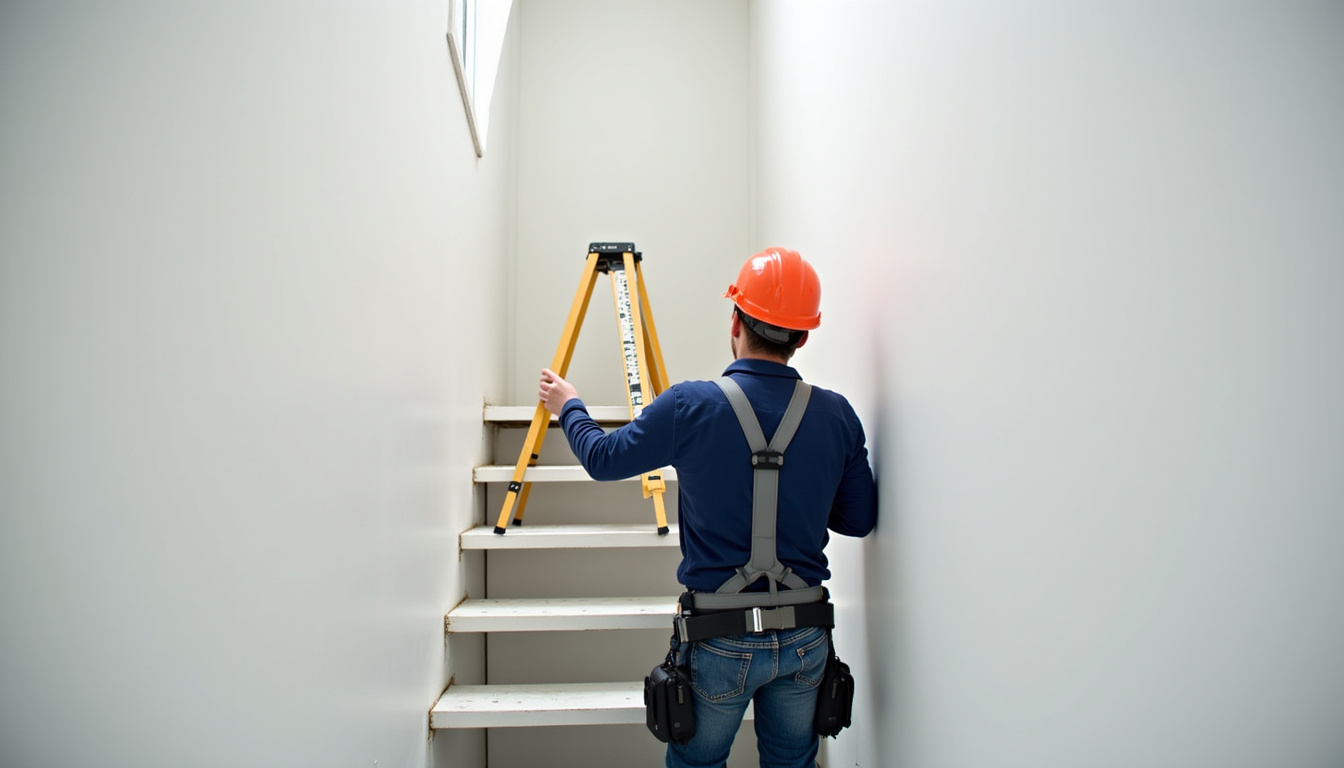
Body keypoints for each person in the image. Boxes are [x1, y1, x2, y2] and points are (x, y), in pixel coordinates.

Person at [537, 247, 878, 768]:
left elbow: (604, 460)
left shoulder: (690, 406)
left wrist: (570, 407)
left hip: (718, 639)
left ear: (735, 321)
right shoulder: (837, 416)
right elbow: (858, 519)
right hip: (807, 638)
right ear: (803, 336)